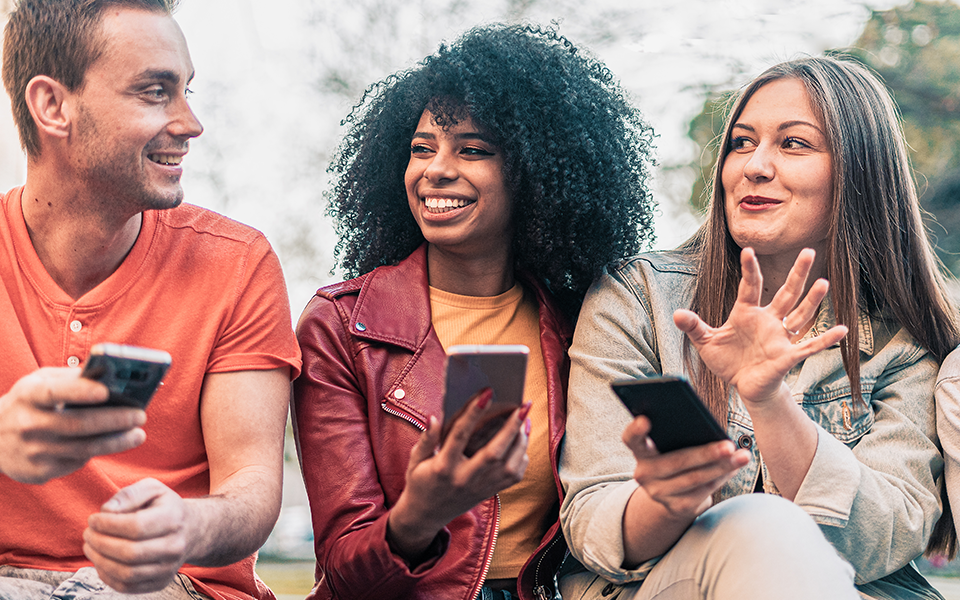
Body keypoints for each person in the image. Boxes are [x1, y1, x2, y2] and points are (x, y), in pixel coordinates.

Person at [559, 55, 960, 600]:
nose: (754, 165)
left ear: (859, 173)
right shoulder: (638, 299)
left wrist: (768, 402)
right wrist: (668, 500)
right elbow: (590, 526)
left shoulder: (905, 341)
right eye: (741, 143)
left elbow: (882, 540)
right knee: (763, 526)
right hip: (666, 584)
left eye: (793, 144)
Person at [292, 24, 655, 600]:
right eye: (421, 148)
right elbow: (344, 571)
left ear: (536, 173)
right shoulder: (342, 325)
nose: (435, 168)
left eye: (473, 149)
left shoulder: (581, 321)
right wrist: (420, 513)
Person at [0, 1, 301, 599]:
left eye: (187, 91)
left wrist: (183, 527)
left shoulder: (238, 263)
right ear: (52, 106)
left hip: (175, 585)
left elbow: (251, 490)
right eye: (155, 92)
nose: (191, 123)